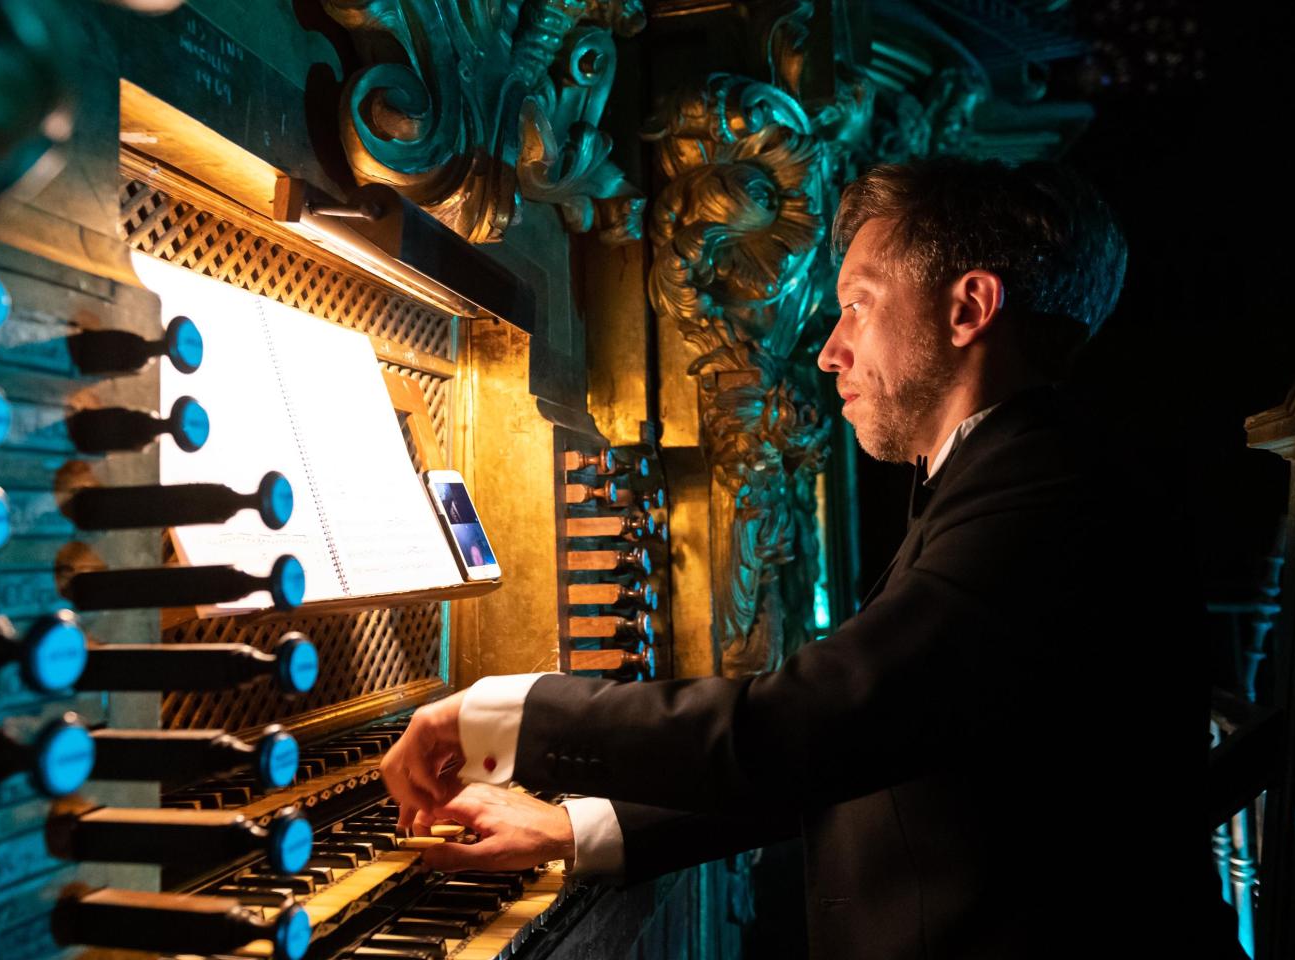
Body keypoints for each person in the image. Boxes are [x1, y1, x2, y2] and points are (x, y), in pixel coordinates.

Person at [381, 157, 1240, 958]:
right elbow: (866, 747)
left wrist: (511, 715)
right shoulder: (1014, 470)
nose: (831, 349)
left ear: (968, 308)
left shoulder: (1048, 493)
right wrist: (576, 830)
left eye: (858, 305)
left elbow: (810, 727)